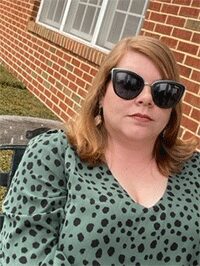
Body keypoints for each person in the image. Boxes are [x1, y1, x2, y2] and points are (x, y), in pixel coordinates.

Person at [0, 36, 199, 266]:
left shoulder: (194, 170)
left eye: (163, 91)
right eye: (128, 83)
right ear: (102, 93)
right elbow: (23, 257)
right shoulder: (53, 154)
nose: (146, 98)